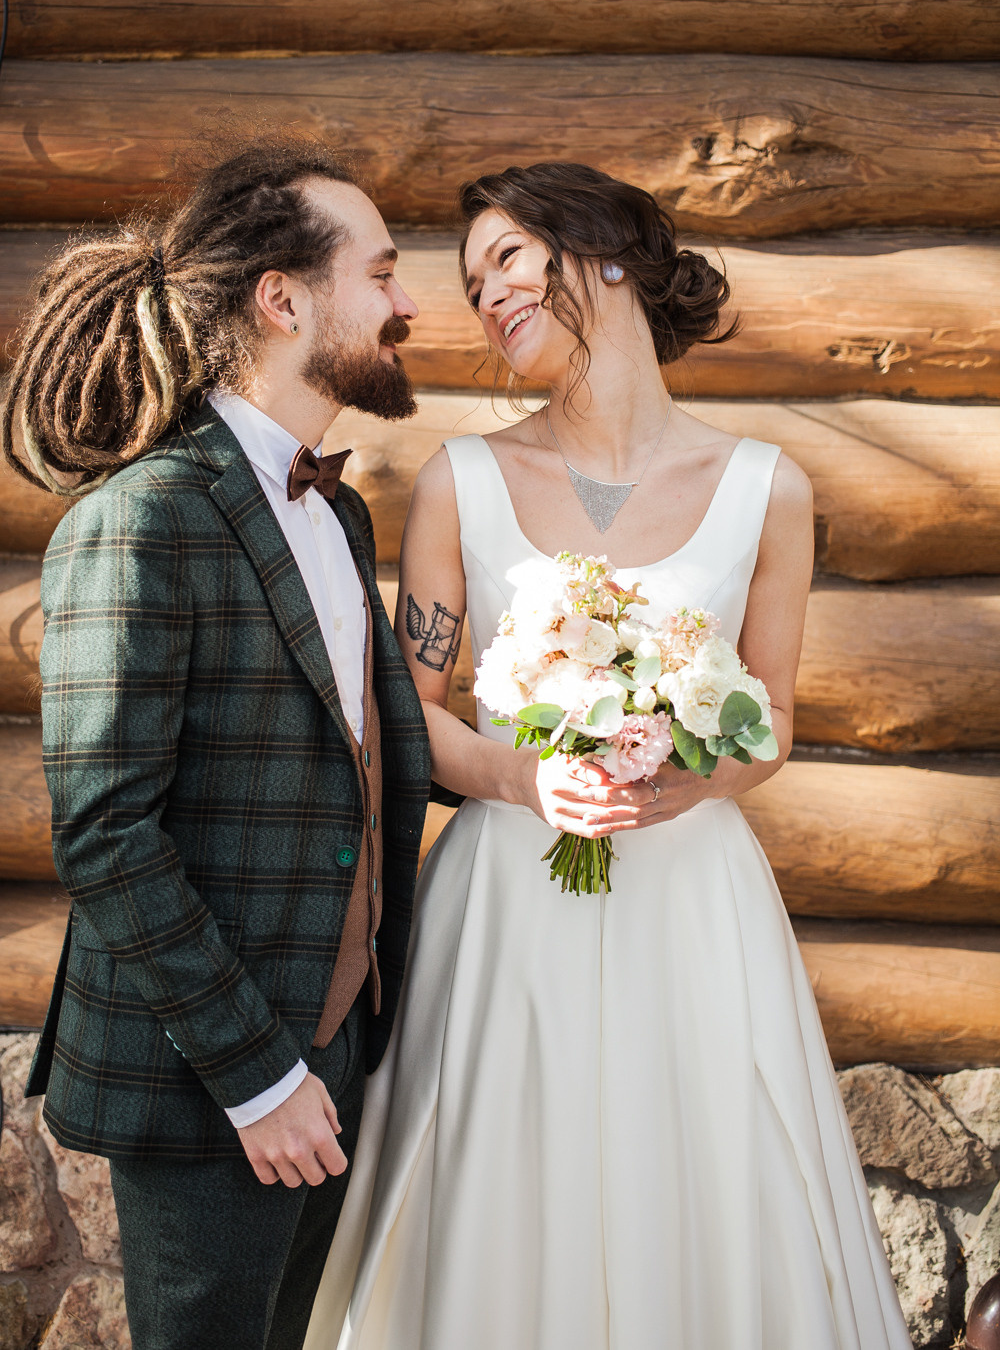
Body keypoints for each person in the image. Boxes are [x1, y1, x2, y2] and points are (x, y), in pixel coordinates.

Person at [303, 162, 912, 1349]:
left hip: (693, 907)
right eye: (472, 285)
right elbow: (406, 713)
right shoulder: (461, 483)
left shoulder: (764, 491)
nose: (486, 299)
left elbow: (771, 720)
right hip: (507, 906)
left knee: (698, 1183)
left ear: (605, 253)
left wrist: (698, 778)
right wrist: (528, 778)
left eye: (508, 261)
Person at [4, 140, 431, 1350]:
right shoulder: (139, 520)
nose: (406, 304)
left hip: (341, 1047)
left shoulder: (334, 508)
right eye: (383, 273)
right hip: (216, 1082)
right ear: (283, 298)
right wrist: (260, 1076)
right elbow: (105, 834)